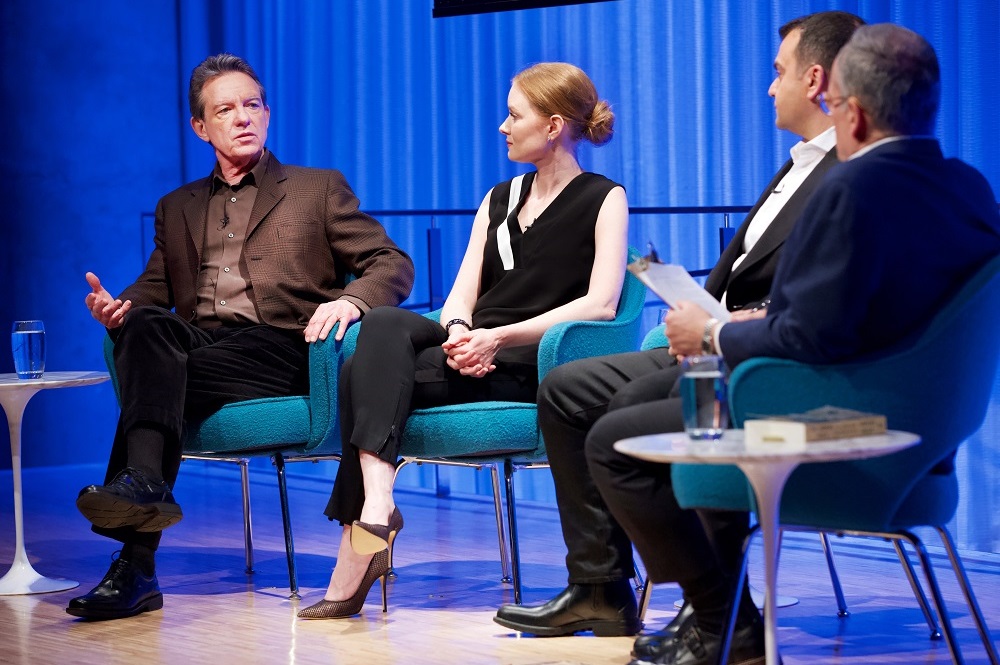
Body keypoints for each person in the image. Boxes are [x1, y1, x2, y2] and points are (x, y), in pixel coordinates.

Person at [588, 23, 1000, 665]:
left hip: (838, 432)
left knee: (615, 442)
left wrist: (713, 332)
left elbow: (810, 335)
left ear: (852, 110)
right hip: (928, 443)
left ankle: (726, 620)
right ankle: (720, 621)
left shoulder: (850, 188)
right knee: (672, 405)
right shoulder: (970, 187)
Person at [493, 9, 864, 654]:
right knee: (566, 389)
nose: (768, 87)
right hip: (714, 343)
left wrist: (725, 327)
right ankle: (600, 586)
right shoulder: (796, 165)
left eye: (777, 73)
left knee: (633, 412)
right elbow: (745, 267)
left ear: (816, 79)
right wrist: (692, 308)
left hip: (761, 360)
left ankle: (717, 610)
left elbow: (822, 296)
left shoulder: (850, 175)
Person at [67, 54, 415, 621]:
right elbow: (155, 287)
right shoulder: (176, 206)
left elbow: (391, 262)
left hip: (279, 345)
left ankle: (135, 561)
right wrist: (118, 308)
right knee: (147, 328)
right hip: (203, 343)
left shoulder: (316, 189)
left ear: (268, 114)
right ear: (201, 128)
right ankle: (146, 488)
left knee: (151, 384)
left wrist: (350, 300)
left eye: (251, 105)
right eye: (225, 110)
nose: (242, 117)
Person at [296, 62, 630, 620]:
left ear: (551, 126)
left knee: (359, 376)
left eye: (513, 114)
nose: (502, 126)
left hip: (532, 355)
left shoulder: (604, 198)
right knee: (379, 322)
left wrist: (495, 339)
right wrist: (458, 332)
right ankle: (378, 505)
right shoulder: (498, 198)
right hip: (470, 346)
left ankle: (360, 548)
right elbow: (460, 296)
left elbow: (601, 304)